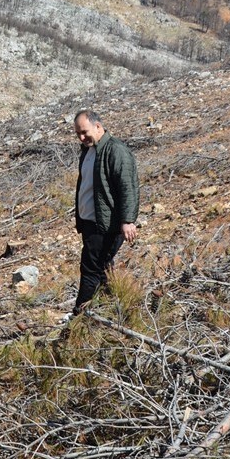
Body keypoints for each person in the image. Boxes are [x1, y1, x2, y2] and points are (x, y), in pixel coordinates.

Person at [71, 109, 139, 313]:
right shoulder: (88, 151)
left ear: (98, 126)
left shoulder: (115, 151)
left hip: (106, 225)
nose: (81, 138)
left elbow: (128, 187)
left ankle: (80, 316)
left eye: (84, 132)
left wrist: (127, 220)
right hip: (90, 222)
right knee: (102, 269)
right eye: (78, 134)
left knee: (90, 270)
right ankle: (110, 311)